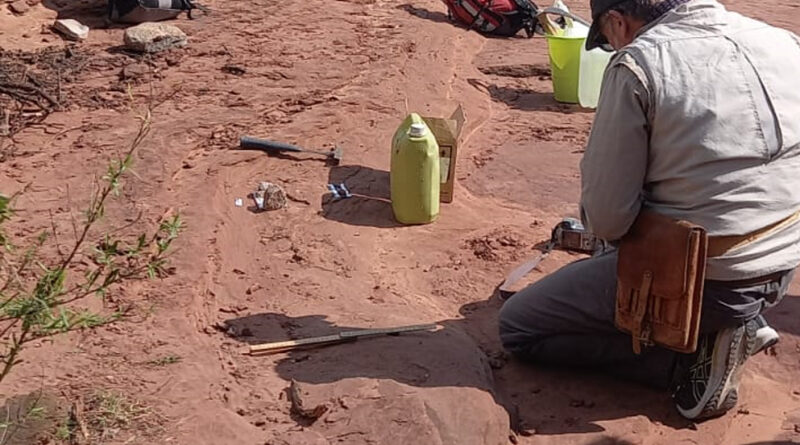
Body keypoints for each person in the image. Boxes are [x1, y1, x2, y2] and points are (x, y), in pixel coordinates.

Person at [499, 0, 800, 420]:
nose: (612, 48)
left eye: (607, 40)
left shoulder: (638, 64)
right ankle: (735, 321)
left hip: (705, 280)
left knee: (518, 326)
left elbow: (608, 219)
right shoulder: (782, 40)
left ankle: (691, 357)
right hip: (782, 264)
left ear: (617, 21)